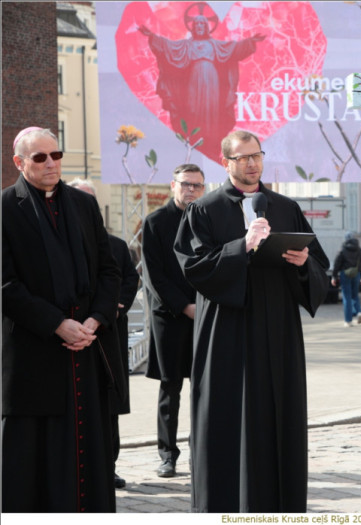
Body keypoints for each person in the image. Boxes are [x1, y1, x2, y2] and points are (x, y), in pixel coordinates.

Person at [174, 130, 329, 512]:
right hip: (227, 332)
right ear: (225, 162)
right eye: (242, 157)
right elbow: (193, 267)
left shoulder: (285, 207)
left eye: (256, 155)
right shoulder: (204, 210)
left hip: (278, 331)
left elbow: (319, 267)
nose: (251, 163)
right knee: (228, 419)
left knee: (278, 418)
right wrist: (241, 247)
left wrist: (302, 264)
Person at [2, 127, 123, 512]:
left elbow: (109, 270)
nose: (51, 163)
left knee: (88, 450)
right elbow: (5, 284)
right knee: (31, 460)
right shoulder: (5, 208)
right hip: (34, 350)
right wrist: (57, 323)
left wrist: (95, 320)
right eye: (40, 157)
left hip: (85, 348)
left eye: (56, 155)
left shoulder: (83, 204)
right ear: (19, 162)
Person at [70, 178, 140, 490]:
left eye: (90, 202)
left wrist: (113, 309)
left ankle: (109, 466)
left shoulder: (116, 245)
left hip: (108, 334)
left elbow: (128, 279)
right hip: (70, 335)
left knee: (109, 405)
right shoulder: (60, 243)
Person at [142, 164, 206, 478]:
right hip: (169, 317)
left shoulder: (207, 221)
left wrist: (203, 306)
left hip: (205, 315)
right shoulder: (155, 222)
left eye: (197, 185)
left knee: (204, 388)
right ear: (173, 185)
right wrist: (184, 306)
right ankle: (168, 455)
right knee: (171, 389)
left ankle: (202, 454)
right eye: (185, 184)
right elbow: (154, 275)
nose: (191, 190)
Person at [139, 13, 264, 159]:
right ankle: (195, 142)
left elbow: (234, 49)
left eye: (202, 24)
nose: (199, 27)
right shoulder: (187, 44)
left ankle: (211, 143)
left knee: (212, 110)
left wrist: (251, 41)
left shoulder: (214, 45)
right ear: (193, 27)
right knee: (193, 108)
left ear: (206, 27)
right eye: (196, 24)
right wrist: (152, 36)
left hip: (212, 81)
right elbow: (169, 47)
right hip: (194, 78)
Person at [330, 231, 361, 327]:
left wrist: (334, 276)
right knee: (355, 295)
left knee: (347, 297)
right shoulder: (359, 249)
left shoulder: (343, 249)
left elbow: (337, 263)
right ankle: (359, 312)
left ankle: (348, 321)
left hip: (345, 274)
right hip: (356, 274)